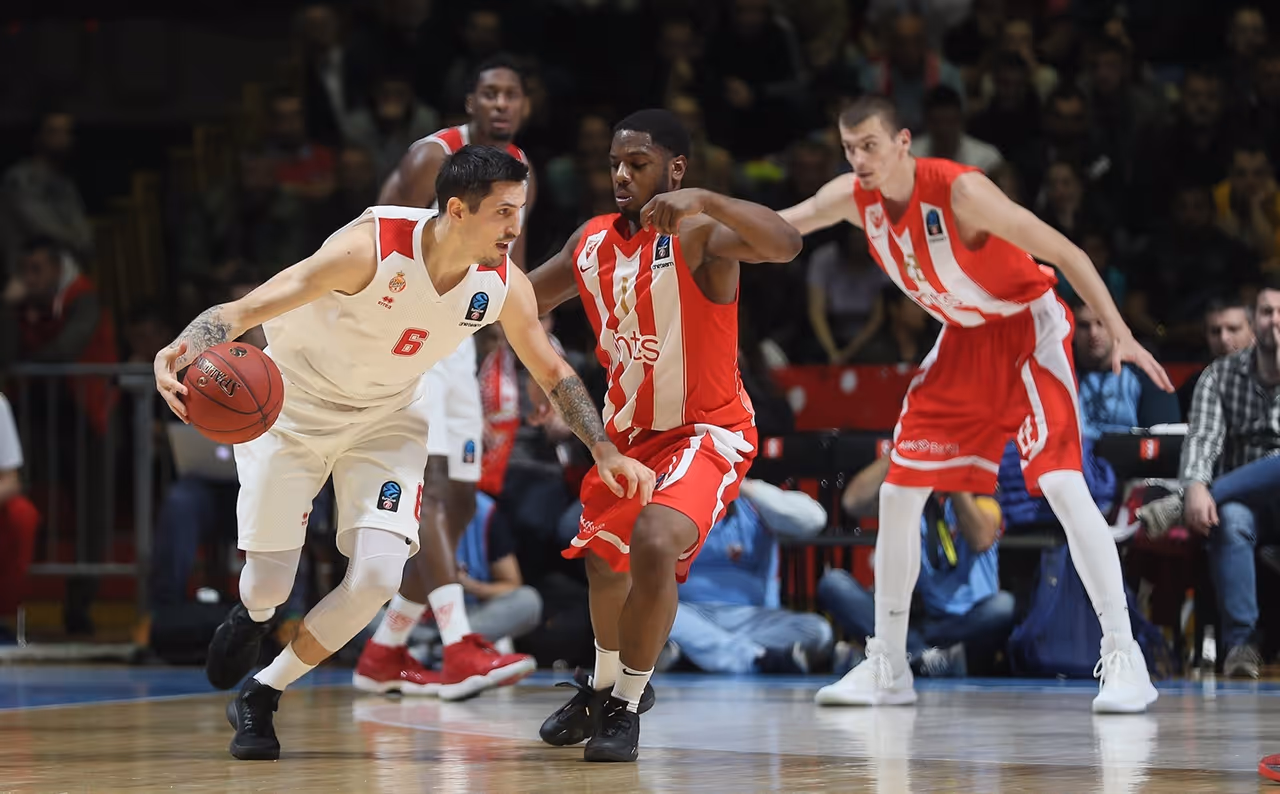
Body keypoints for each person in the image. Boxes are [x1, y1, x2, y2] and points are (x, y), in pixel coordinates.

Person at [151, 146, 652, 761]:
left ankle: (263, 691)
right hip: (291, 412)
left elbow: (553, 373)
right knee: (268, 587)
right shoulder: (368, 249)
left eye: (519, 211)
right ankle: (252, 616)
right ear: (457, 210)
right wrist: (180, 347)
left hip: (385, 420)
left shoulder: (499, 285)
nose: (515, 228)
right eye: (502, 213)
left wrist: (601, 447)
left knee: (379, 577)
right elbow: (243, 310)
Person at [780, 96, 1168, 713]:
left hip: (1025, 327)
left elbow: (1066, 252)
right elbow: (781, 225)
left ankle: (1125, 658)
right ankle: (888, 666)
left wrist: (1120, 331)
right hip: (964, 338)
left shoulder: (960, 192)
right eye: (850, 148)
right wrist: (702, 222)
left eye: (870, 145)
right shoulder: (852, 198)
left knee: (1065, 485)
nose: (859, 159)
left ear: (903, 141)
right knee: (898, 491)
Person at [527, 109, 801, 762]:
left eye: (639, 163)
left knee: (654, 540)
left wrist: (706, 198)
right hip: (628, 438)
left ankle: (625, 704)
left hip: (708, 431)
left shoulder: (701, 232)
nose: (622, 173)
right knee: (603, 561)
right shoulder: (589, 243)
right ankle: (602, 688)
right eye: (616, 163)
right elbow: (518, 304)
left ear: (675, 169)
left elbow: (786, 241)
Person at [353, 55, 540, 700]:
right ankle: (459, 645)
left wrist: (526, 356)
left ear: (524, 106)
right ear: (469, 101)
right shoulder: (428, 159)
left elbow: (509, 270)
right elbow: (374, 239)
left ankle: (385, 649)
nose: (500, 104)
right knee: (431, 492)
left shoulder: (518, 172)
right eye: (489, 93)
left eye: (511, 94)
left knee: (461, 500)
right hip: (413, 333)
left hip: (464, 340)